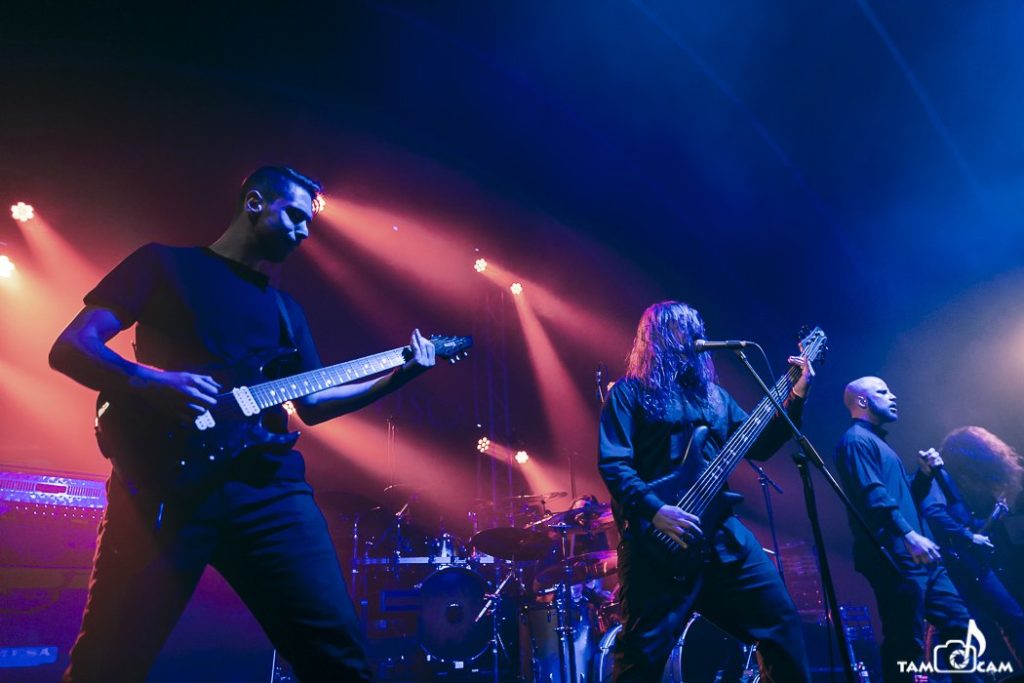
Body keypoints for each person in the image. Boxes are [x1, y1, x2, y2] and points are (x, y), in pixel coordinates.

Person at [48, 166, 437, 682]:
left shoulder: (285, 310)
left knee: (341, 659)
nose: (304, 232)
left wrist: (398, 376)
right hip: (164, 495)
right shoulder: (163, 264)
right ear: (255, 203)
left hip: (268, 493)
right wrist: (150, 381)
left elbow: (313, 403)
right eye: (295, 216)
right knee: (106, 665)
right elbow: (70, 348)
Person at [598, 301, 814, 683]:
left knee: (781, 625)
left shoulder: (715, 397)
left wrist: (795, 395)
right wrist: (655, 511)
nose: (696, 332)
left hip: (720, 537)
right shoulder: (629, 394)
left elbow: (759, 446)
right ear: (660, 336)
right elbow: (614, 464)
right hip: (656, 546)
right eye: (684, 326)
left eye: (697, 324)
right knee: (640, 661)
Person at [834, 377, 980, 683]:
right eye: (883, 392)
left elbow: (901, 498)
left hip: (918, 555)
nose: (893, 395)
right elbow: (872, 496)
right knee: (905, 641)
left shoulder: (878, 443)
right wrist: (909, 536)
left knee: (959, 624)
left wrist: (924, 476)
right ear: (862, 401)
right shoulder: (856, 441)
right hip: (895, 557)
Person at [922, 426, 1024, 667]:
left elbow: (959, 518)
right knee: (1004, 618)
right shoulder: (939, 474)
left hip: (969, 561)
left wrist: (991, 519)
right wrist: (969, 536)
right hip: (957, 562)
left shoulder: (952, 478)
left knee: (1004, 619)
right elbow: (933, 511)